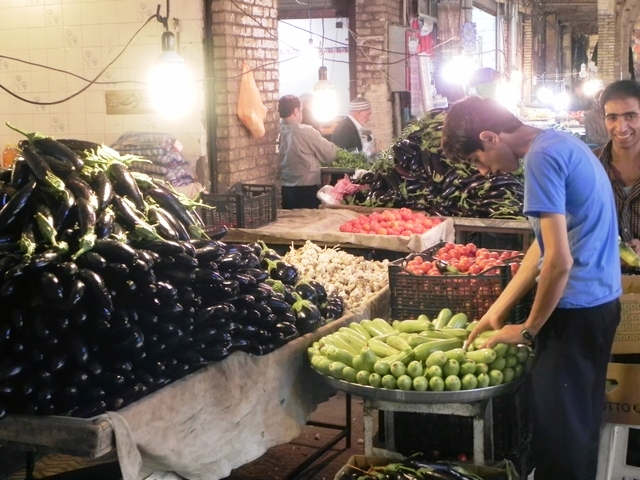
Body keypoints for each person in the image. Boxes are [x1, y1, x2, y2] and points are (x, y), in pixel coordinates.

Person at [441, 96, 621, 480]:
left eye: (477, 159)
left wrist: (528, 329)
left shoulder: (541, 159)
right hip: (601, 304)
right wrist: (498, 310)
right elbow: (541, 247)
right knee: (580, 425)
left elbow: (559, 262)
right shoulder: (560, 143)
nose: (485, 172)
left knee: (558, 439)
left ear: (490, 137)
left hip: (573, 311)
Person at [594, 80, 640, 253]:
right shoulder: (589, 166)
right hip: (600, 275)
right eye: (612, 118)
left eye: (630, 116)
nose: (621, 128)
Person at [278, 95, 337, 209]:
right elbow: (329, 155)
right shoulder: (307, 132)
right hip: (307, 190)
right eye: (301, 110)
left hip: (284, 189)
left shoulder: (274, 132)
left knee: (290, 221)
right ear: (296, 111)